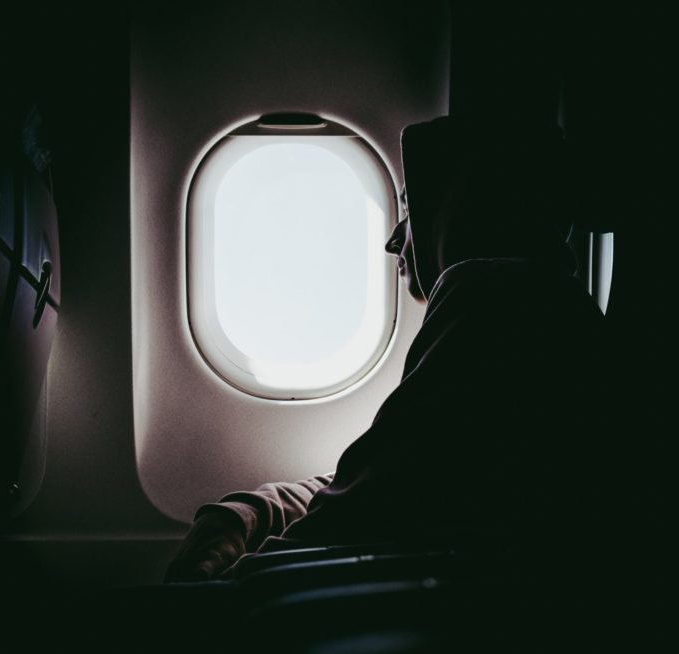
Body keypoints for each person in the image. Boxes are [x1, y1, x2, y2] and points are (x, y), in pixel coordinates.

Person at [166, 115, 611, 584]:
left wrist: (218, 593)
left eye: (412, 209)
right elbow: (389, 479)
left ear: (464, 209)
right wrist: (249, 512)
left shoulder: (499, 304)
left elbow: (356, 518)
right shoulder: (528, 303)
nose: (393, 239)